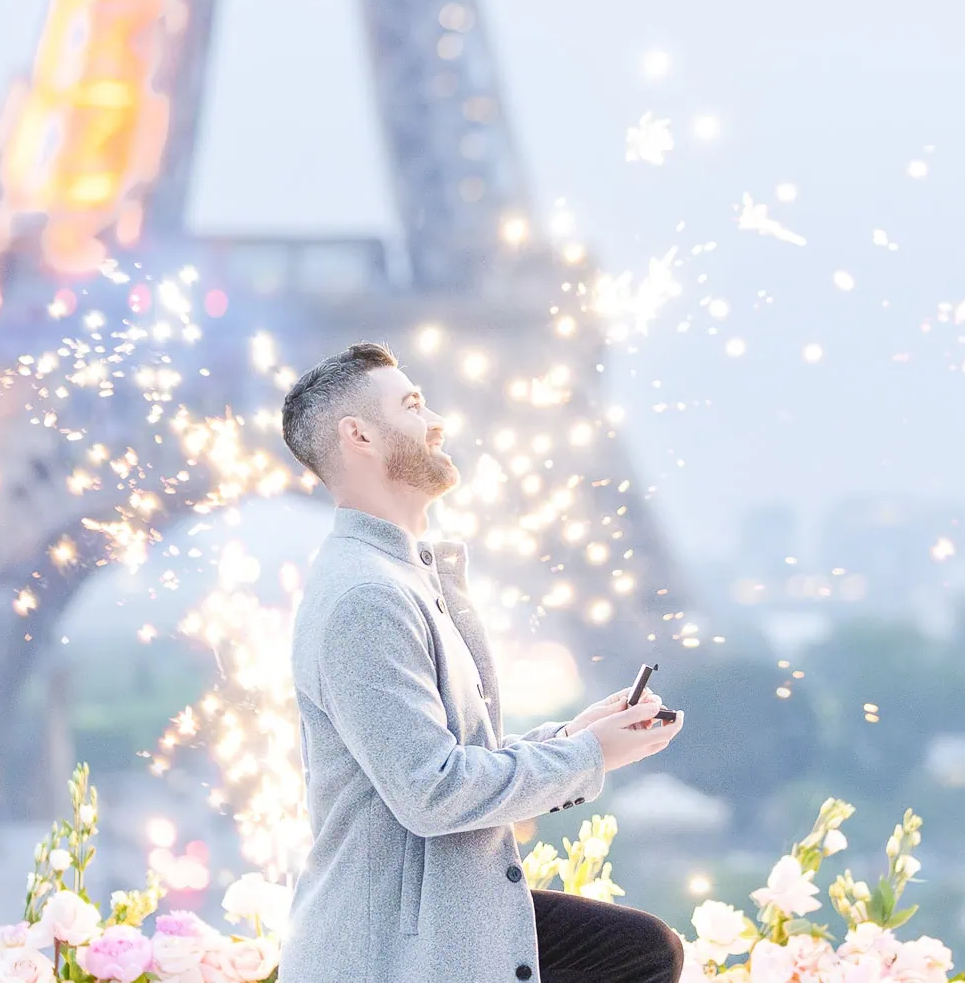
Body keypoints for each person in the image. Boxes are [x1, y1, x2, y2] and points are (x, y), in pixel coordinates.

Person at [278, 342, 686, 983]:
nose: (436, 420)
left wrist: (572, 738)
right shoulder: (366, 596)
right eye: (412, 405)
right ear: (357, 435)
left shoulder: (399, 576)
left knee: (640, 951)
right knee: (637, 953)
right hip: (395, 948)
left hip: (432, 923)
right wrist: (589, 756)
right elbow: (433, 790)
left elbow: (449, 755)